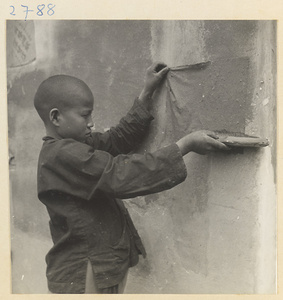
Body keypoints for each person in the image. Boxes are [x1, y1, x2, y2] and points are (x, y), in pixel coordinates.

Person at [34, 62, 229, 294]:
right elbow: (120, 174)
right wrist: (184, 146)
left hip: (98, 265)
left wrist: (147, 92)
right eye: (85, 115)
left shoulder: (74, 146)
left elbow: (116, 140)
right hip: (87, 270)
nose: (91, 122)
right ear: (55, 118)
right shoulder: (62, 155)